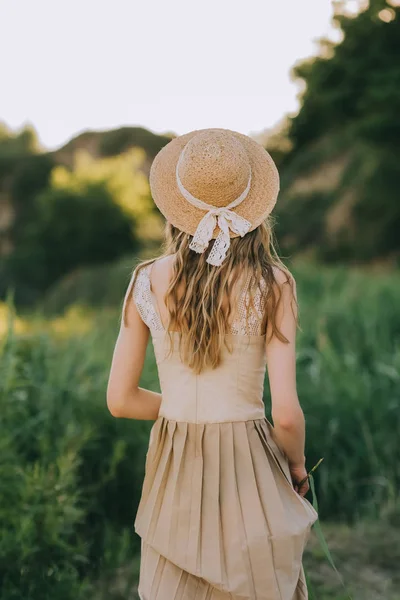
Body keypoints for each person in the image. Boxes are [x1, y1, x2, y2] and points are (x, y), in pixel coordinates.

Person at [107, 128, 318, 600]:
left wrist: (183, 406)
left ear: (177, 204)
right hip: (251, 464)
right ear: (254, 207)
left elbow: (120, 400)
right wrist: (298, 468)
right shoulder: (274, 282)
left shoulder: (146, 280)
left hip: (174, 461)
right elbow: (285, 413)